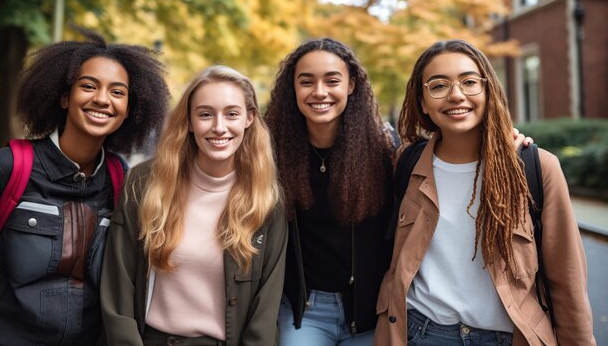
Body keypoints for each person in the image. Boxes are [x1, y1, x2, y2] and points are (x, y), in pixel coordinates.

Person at [374, 39, 596, 346]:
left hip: (506, 337)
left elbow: (567, 280)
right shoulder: (406, 163)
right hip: (420, 333)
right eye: (438, 86)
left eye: (469, 82)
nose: (456, 95)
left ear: (488, 89)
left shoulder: (537, 167)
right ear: (422, 101)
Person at [0, 27, 170, 346]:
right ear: (64, 96)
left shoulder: (121, 179)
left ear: (129, 110)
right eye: (88, 86)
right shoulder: (8, 167)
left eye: (117, 92)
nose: (101, 99)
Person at [100, 65, 287, 346]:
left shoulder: (266, 200)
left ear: (249, 118)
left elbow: (265, 309)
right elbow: (119, 286)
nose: (219, 127)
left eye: (232, 114)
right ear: (188, 120)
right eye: (205, 114)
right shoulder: (145, 183)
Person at [265, 38, 396, 346]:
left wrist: (506, 143)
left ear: (351, 85)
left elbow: (442, 157)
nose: (319, 92)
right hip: (303, 311)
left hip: (369, 312)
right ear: (293, 89)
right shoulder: (271, 152)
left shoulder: (386, 151)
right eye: (306, 81)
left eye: (332, 80)